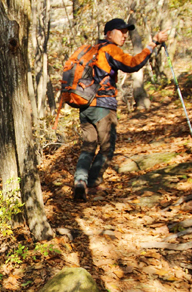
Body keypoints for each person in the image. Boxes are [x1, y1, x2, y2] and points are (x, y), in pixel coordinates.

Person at [73, 18, 169, 201]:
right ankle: (92, 183)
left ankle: (80, 181)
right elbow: (132, 64)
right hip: (103, 106)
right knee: (107, 147)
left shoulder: (92, 51)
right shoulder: (110, 49)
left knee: (88, 147)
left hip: (84, 105)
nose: (125, 35)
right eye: (121, 31)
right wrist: (153, 43)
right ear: (109, 34)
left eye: (126, 32)